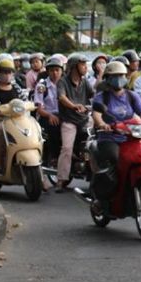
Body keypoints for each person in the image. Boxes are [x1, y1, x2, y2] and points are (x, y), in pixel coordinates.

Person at [90, 61, 141, 197]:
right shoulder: (102, 97)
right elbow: (96, 114)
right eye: (115, 76)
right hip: (109, 138)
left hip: (131, 138)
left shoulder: (132, 96)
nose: (119, 79)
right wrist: (102, 124)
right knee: (115, 160)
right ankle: (105, 195)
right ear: (107, 78)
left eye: (122, 75)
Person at [55, 54, 94, 192]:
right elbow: (62, 97)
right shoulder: (62, 82)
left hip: (85, 120)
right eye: (82, 64)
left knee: (97, 144)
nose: (85, 67)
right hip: (69, 120)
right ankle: (61, 179)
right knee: (66, 148)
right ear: (73, 67)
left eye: (85, 64)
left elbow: (94, 95)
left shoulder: (85, 82)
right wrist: (73, 106)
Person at [0, 59, 28, 169]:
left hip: (17, 119)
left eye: (9, 72)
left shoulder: (16, 87)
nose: (7, 75)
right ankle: (1, 163)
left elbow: (25, 100)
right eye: (4, 72)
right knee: (1, 131)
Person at [34, 55, 64, 172]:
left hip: (64, 115)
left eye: (57, 70)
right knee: (54, 127)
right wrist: (50, 115)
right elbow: (39, 109)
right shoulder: (42, 86)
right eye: (52, 70)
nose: (55, 73)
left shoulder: (65, 84)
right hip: (47, 115)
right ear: (48, 72)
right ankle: (54, 157)